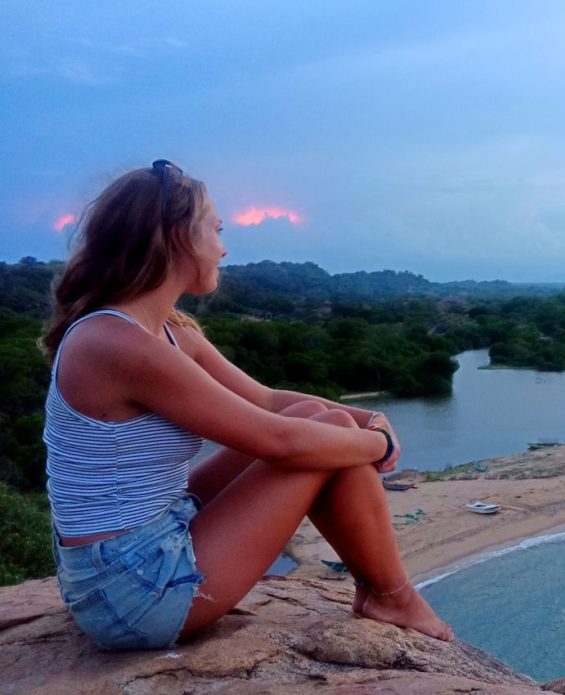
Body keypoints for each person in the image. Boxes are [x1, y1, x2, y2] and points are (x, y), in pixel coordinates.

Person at [41, 160, 453, 650]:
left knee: (319, 423)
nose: (224, 246)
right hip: (134, 593)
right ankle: (392, 595)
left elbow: (268, 401)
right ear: (178, 238)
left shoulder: (166, 332)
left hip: (137, 552)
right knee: (316, 440)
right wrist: (375, 442)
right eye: (216, 229)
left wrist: (365, 419)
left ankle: (383, 591)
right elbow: (277, 441)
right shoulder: (117, 343)